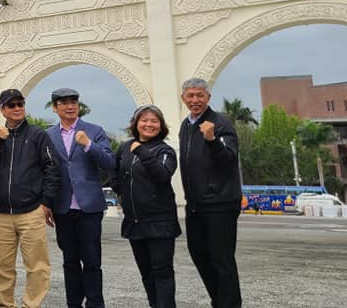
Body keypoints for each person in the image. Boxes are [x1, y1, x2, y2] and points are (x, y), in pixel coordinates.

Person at [0, 89, 61, 308]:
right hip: (1, 212)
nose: (17, 108)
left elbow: (52, 168)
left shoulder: (38, 135)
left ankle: (31, 305)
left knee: (37, 266)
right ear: (2, 110)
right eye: (11, 105)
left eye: (20, 104)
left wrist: (46, 202)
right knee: (1, 268)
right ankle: (4, 305)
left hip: (31, 210)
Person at [45, 87, 115, 308]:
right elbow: (43, 170)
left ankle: (95, 304)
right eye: (64, 103)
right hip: (62, 207)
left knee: (92, 262)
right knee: (70, 262)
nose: (70, 106)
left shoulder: (94, 131)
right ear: (55, 108)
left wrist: (88, 145)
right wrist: (45, 203)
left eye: (74, 102)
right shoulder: (48, 135)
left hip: (89, 207)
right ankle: (73, 304)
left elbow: (110, 163)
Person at [179, 78, 242, 308]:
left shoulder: (220, 124)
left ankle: (229, 304)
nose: (195, 100)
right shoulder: (186, 125)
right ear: (183, 98)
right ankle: (220, 301)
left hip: (220, 204)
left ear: (208, 97)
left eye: (200, 95)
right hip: (195, 204)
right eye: (190, 96)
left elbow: (229, 160)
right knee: (199, 255)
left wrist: (212, 140)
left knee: (222, 259)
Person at [111, 104, 180, 308]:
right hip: (135, 222)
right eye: (144, 120)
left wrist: (142, 151)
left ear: (161, 125)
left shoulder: (164, 150)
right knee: (147, 273)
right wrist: (120, 189)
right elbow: (114, 170)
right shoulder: (125, 147)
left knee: (162, 271)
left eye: (154, 121)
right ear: (136, 123)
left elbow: (162, 175)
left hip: (160, 222)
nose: (149, 124)